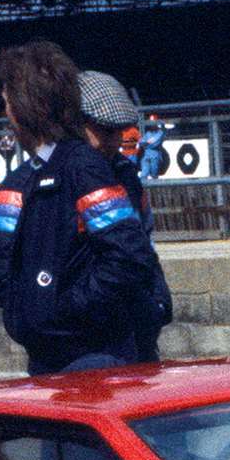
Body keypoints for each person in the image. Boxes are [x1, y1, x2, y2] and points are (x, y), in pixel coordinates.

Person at [0, 42, 158, 375]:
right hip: (50, 358)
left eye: (6, 102)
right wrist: (39, 314)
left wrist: (60, 311)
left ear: (21, 107)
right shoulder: (22, 182)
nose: (5, 112)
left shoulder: (84, 170)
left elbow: (129, 258)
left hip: (94, 359)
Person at [74, 69, 172, 362]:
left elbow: (144, 239)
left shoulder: (126, 175)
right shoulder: (63, 177)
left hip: (136, 323)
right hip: (88, 334)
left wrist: (156, 297)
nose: (116, 140)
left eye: (120, 131)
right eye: (105, 131)